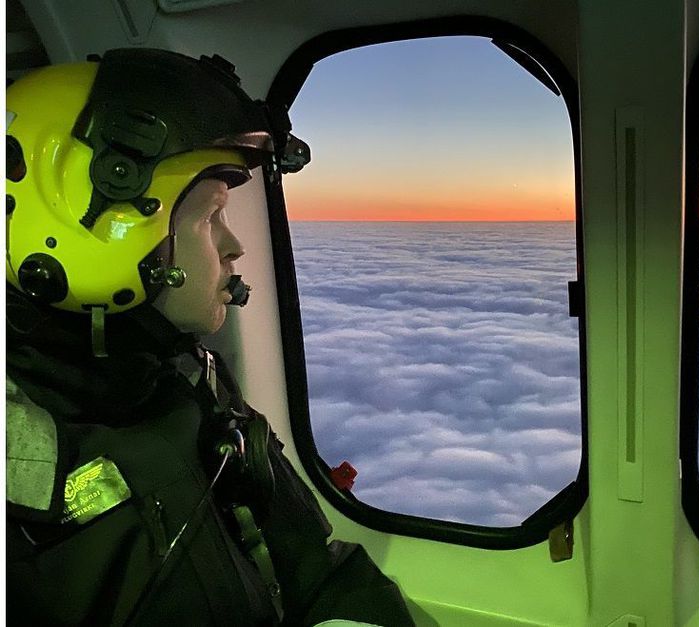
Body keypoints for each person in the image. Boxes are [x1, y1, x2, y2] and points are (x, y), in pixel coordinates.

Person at [6, 48, 415, 626]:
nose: (234, 247)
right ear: (93, 223)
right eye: (209, 216)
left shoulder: (191, 381)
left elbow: (313, 569)